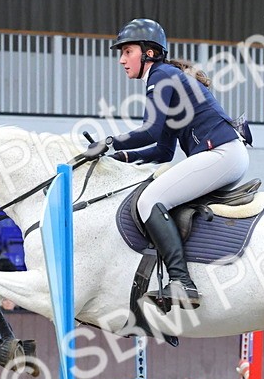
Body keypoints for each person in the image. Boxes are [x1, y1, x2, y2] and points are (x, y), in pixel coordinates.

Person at [84, 18, 251, 309]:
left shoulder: (160, 76)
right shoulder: (168, 77)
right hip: (225, 154)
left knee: (149, 200)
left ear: (149, 52)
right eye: (121, 53)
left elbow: (149, 130)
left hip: (220, 153)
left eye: (128, 52)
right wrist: (118, 157)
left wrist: (110, 141)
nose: (121, 60)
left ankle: (182, 282)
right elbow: (162, 150)